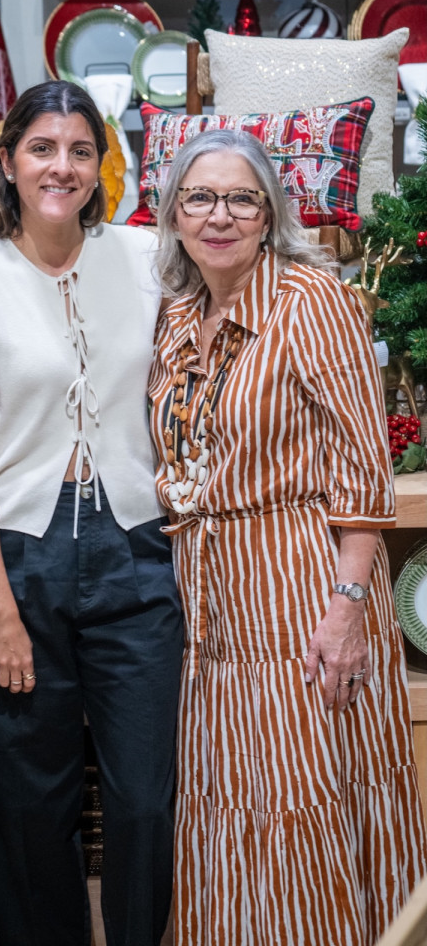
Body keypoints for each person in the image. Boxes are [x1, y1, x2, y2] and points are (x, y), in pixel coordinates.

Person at [147, 127, 427, 946]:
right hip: (209, 594)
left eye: (242, 198)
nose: (220, 215)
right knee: (228, 794)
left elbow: (362, 468)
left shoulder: (314, 302)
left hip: (303, 583)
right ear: (174, 215)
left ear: (270, 214)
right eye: (200, 197)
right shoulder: (177, 314)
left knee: (304, 794)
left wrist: (347, 608)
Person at [0, 80, 183, 946]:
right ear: (8, 162)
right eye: (43, 148)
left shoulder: (150, 257)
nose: (62, 166)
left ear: (100, 165)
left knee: (146, 797)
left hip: (139, 551)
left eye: (81, 150)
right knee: (29, 804)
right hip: (16, 559)